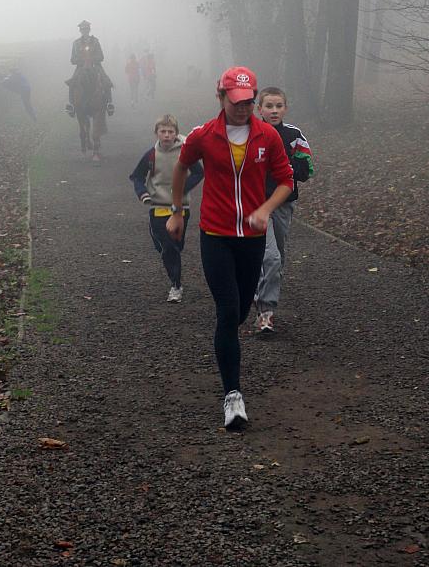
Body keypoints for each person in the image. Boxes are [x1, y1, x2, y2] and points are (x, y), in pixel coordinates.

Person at [167, 67, 294, 430]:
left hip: (251, 239)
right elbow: (181, 168)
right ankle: (233, 397)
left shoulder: (267, 136)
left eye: (248, 102)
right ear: (221, 97)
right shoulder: (203, 135)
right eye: (236, 102)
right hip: (216, 235)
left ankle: (230, 336)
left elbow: (285, 180)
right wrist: (177, 212)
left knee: (238, 313)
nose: (243, 108)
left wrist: (265, 210)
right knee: (227, 311)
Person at [254, 87, 314, 334]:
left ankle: (261, 292)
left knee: (278, 256)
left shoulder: (294, 135)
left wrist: (284, 165)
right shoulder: (250, 134)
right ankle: (265, 313)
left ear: (285, 108)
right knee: (271, 257)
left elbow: (306, 169)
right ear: (260, 109)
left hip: (284, 204)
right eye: (269, 106)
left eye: (279, 106)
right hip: (256, 205)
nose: (274, 110)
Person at [129, 114, 203, 303]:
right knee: (166, 245)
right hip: (157, 206)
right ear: (156, 134)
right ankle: (176, 284)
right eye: (163, 131)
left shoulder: (185, 152)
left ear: (176, 133)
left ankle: (175, 279)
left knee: (175, 246)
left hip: (180, 207)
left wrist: (182, 187)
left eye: (171, 132)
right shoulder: (151, 155)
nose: (167, 135)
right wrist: (142, 193)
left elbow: (199, 172)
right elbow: (136, 176)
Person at [65, 20, 114, 117]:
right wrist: (82, 61)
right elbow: (72, 59)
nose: (85, 31)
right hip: (81, 67)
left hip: (95, 66)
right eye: (83, 29)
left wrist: (92, 59)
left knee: (106, 80)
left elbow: (101, 56)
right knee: (72, 82)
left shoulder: (95, 41)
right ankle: (71, 106)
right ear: (80, 31)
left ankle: (109, 104)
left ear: (89, 30)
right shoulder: (76, 43)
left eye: (86, 29)